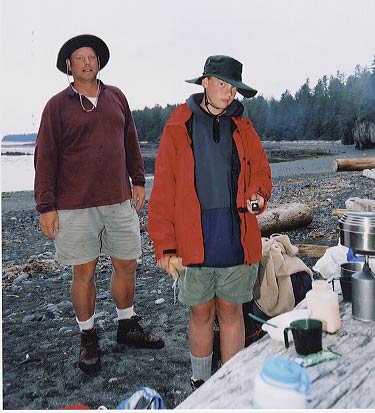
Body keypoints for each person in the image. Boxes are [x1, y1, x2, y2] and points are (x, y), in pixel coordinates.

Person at [34, 34, 164, 375]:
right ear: (69, 66)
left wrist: (138, 179)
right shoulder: (56, 106)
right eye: (80, 58)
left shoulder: (116, 97)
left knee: (127, 263)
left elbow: (130, 141)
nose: (87, 62)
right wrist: (46, 207)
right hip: (74, 206)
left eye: (92, 57)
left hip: (119, 200)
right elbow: (45, 158)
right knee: (84, 271)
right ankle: (88, 336)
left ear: (98, 62)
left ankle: (127, 325)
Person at [148, 55, 272, 390]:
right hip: (193, 242)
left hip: (234, 237)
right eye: (222, 84)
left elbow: (261, 172)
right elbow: (162, 190)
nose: (229, 92)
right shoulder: (178, 127)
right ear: (204, 83)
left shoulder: (244, 129)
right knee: (201, 314)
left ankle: (230, 386)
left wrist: (258, 194)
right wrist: (164, 245)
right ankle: (201, 384)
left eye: (234, 87)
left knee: (232, 312)